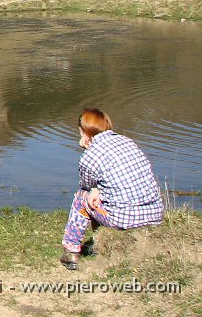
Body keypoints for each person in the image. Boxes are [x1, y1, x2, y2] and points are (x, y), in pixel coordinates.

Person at [60, 108, 163, 270]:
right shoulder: (127, 141)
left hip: (125, 218)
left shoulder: (91, 155)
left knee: (81, 198)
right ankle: (101, 241)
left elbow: (86, 187)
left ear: (85, 132)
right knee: (98, 194)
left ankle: (70, 252)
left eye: (80, 132)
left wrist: (87, 151)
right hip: (155, 214)